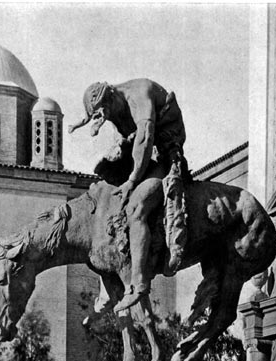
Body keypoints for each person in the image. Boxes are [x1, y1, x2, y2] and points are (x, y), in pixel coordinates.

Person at [69, 78, 188, 311]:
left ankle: (139, 284)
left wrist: (133, 180)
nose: (109, 119)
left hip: (163, 151)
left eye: (107, 113)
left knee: (136, 207)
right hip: (141, 154)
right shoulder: (115, 105)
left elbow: (145, 138)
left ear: (111, 98)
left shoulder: (139, 95)